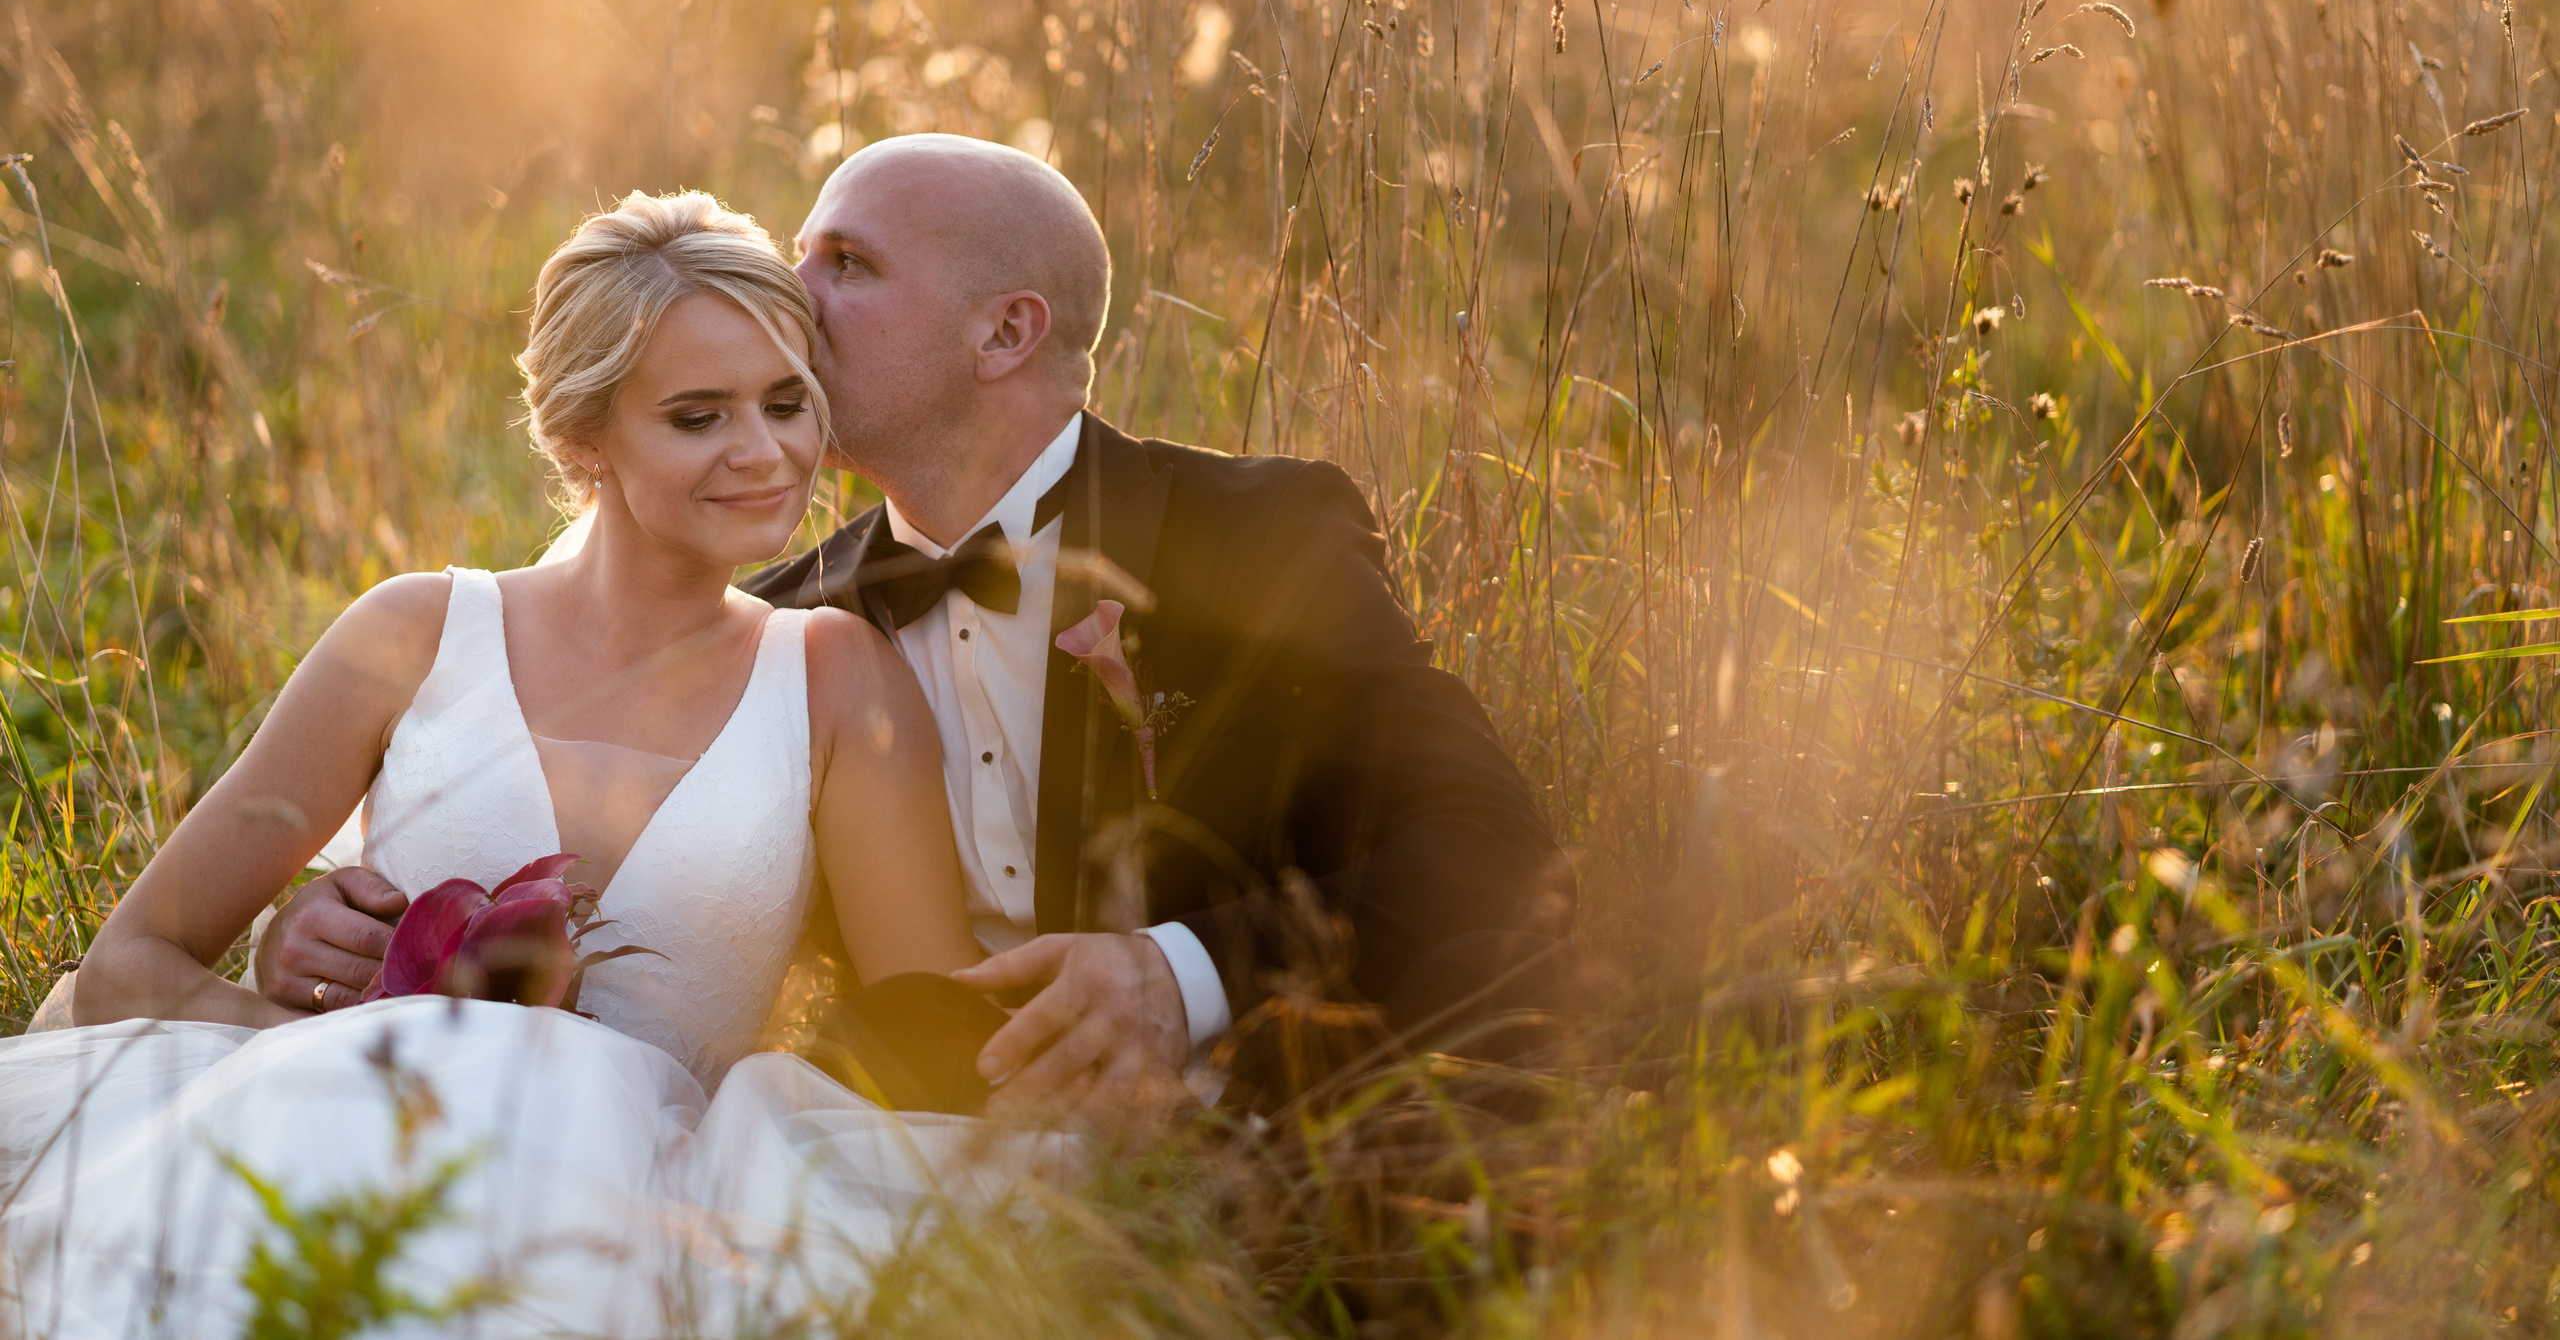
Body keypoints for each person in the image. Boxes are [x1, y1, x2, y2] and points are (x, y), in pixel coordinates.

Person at [268, 134, 1574, 1119]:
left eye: (848, 263)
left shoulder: (1253, 536)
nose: (788, 290)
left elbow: (1487, 842)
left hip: (1295, 1130)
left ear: (1005, 333)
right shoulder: (786, 630)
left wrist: (1181, 978)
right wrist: (363, 935)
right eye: (797, 253)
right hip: (928, 1138)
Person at [0, 193, 1046, 1337]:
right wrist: (360, 1045)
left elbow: (930, 1032)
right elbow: (127, 968)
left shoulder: (835, 678)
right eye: (697, 417)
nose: (766, 452)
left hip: (633, 1199)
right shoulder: (413, 632)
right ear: (583, 437)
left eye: (788, 402)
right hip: (341, 1132)